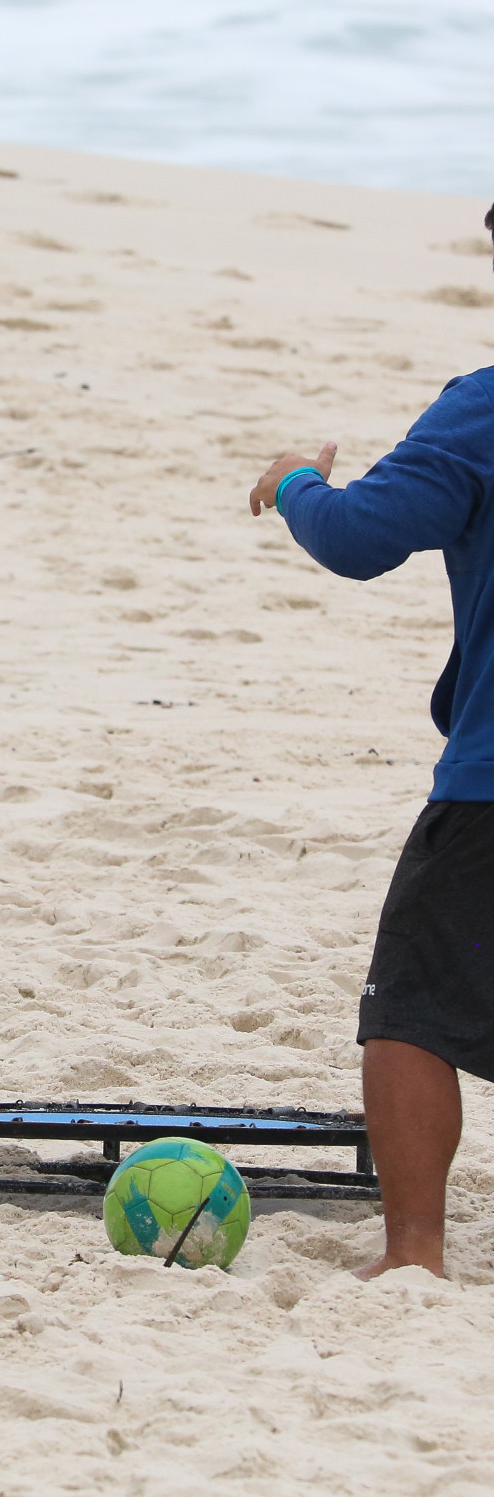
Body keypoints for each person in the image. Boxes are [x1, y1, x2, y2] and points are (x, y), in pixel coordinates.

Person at [250, 206, 494, 1277]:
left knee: (412, 1007)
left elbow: (357, 540)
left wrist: (298, 479)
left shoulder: (482, 413)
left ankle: (413, 1258)